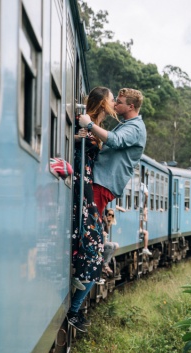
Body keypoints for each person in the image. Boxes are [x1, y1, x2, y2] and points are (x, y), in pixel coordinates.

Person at [68, 86, 116, 332]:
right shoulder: (82, 121)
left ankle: (75, 306)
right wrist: (81, 135)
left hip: (87, 183)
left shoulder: (95, 126)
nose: (114, 102)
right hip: (79, 181)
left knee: (99, 246)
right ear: (102, 102)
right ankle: (73, 311)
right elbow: (70, 138)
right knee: (94, 243)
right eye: (111, 98)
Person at [78, 88, 147, 217]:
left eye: (119, 102)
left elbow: (115, 140)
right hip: (103, 181)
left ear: (131, 107)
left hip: (104, 182)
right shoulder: (128, 124)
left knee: (90, 219)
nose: (115, 104)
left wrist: (90, 125)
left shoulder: (135, 128)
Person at [102, 208, 119, 276]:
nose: (110, 216)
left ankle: (106, 263)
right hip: (100, 242)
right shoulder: (103, 222)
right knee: (110, 246)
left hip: (104, 241)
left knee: (116, 245)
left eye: (112, 215)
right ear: (106, 214)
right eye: (109, 214)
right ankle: (104, 264)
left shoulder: (108, 223)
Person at [140, 181, 152, 256]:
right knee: (145, 231)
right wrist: (144, 204)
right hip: (140, 208)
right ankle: (145, 248)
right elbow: (147, 194)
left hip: (138, 208)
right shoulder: (142, 185)